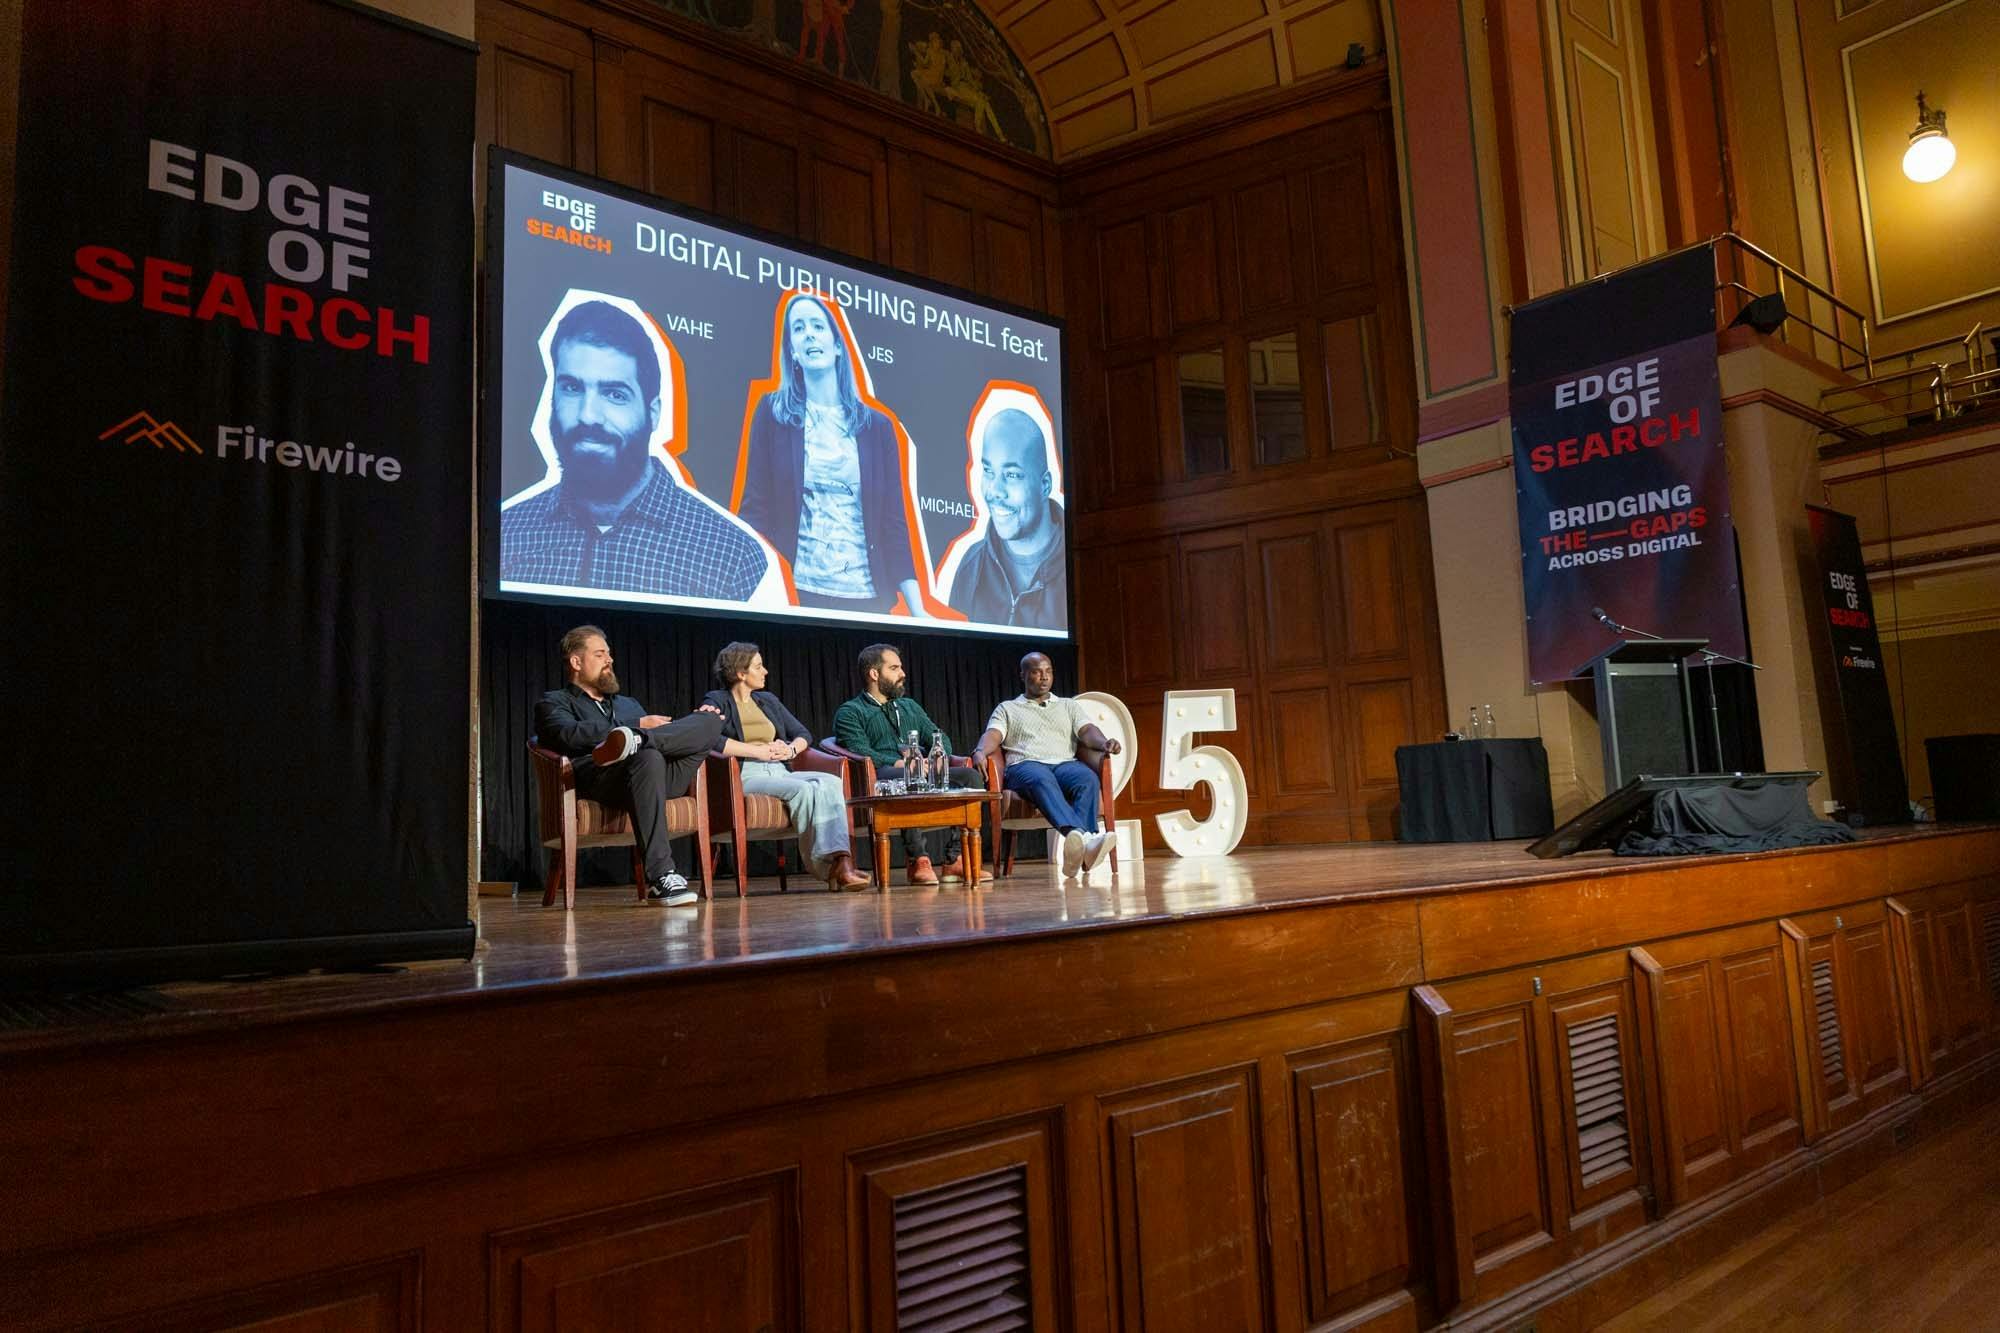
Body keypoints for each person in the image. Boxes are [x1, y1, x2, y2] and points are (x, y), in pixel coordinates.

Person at [502, 298, 774, 601]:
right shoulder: (506, 534)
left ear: (653, 413)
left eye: (615, 394)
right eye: (572, 388)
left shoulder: (732, 555)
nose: (588, 415)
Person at [735, 292, 927, 616]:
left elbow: (893, 523)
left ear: (837, 345)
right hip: (796, 596)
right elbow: (756, 510)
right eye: (798, 328)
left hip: (868, 599)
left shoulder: (877, 426)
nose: (809, 334)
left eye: (817, 325)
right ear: (792, 352)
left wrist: (919, 611)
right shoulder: (772, 412)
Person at [532, 625, 724, 905]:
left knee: (711, 720)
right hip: (601, 779)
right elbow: (568, 734)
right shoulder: (554, 702)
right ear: (576, 662)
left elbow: (660, 744)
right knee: (647, 755)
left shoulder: (628, 704)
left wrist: (665, 731)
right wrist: (634, 725)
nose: (609, 660)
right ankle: (662, 876)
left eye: (609, 654)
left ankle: (639, 739)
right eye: (600, 654)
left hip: (653, 777)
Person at [704, 641, 872, 890]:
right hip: (745, 774)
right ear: (740, 673)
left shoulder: (767, 700)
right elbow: (710, 738)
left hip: (779, 770)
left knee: (831, 782)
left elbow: (802, 734)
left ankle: (841, 860)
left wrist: (790, 749)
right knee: (804, 789)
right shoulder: (718, 700)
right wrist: (757, 751)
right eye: (758, 666)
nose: (765, 671)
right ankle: (827, 866)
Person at [831, 643, 988, 886]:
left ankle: (955, 859)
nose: (902, 674)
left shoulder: (909, 706)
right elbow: (859, 750)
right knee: (909, 777)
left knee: (970, 777)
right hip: (882, 776)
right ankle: (918, 860)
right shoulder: (851, 711)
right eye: (894, 668)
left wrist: (934, 759)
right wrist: (900, 763)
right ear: (874, 674)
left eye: (901, 667)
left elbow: (939, 737)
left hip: (923, 770)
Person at [971, 652, 1119, 877]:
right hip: (1024, 765)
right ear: (1023, 675)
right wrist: (980, 750)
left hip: (1064, 764)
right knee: (1041, 777)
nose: (1044, 677)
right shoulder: (1008, 708)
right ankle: (1083, 837)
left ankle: (1080, 847)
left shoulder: (1068, 705)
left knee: (1087, 778)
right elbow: (993, 734)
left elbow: (1087, 731)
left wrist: (1104, 742)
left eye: (1048, 671)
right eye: (1037, 672)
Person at [948, 408, 1067, 628]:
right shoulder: (971, 568)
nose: (994, 491)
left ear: (1045, 485)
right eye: (988, 471)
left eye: (1011, 475)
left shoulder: (1079, 567)